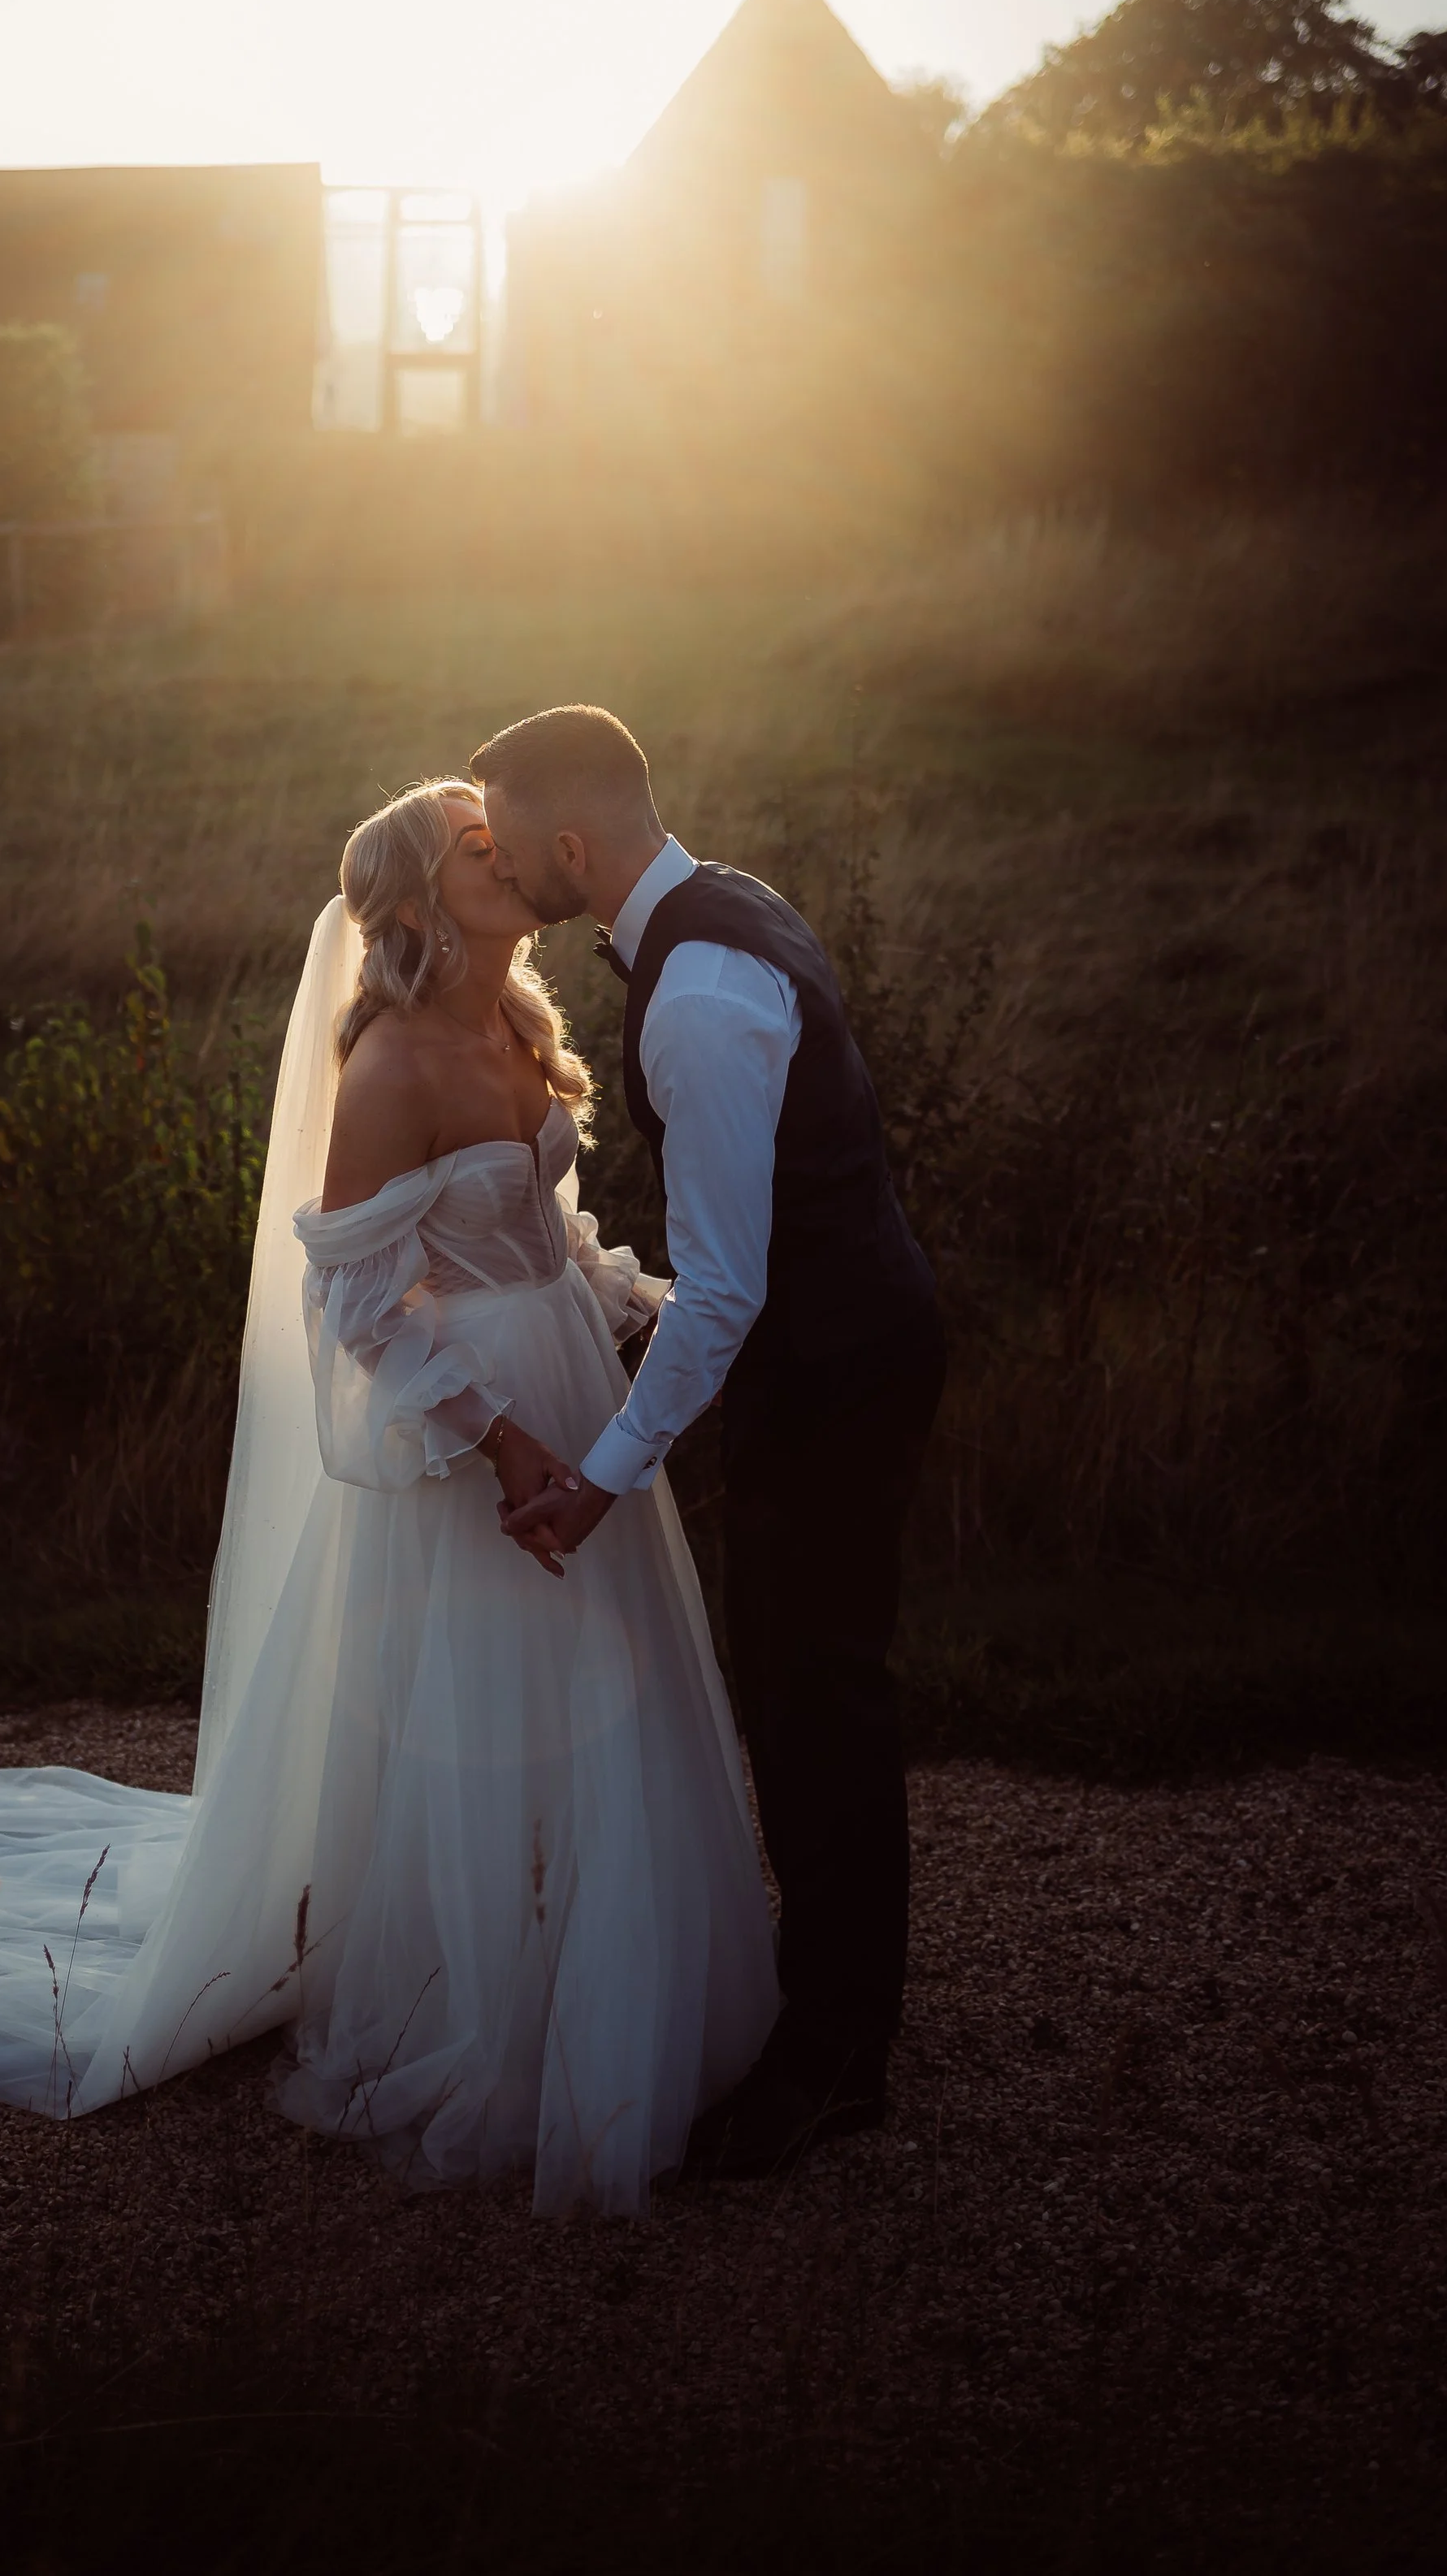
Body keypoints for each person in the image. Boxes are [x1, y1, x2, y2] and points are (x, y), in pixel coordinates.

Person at [0, 781, 777, 2217]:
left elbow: (543, 1235)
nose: (512, 854)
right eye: (477, 845)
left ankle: (608, 1968)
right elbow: (357, 1297)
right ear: (421, 903)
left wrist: (642, 1308)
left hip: (566, 1388)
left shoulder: (520, 1026)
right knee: (477, 1710)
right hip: (472, 1428)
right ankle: (482, 2001)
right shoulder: (397, 1065)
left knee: (604, 1690)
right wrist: (495, 1441)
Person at [472, 706, 945, 2177]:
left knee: (815, 1702)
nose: (501, 869)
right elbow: (742, 1254)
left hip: (837, 1367)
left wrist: (608, 1475)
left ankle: (833, 2059)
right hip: (842, 1336)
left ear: (570, 845)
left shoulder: (693, 997)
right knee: (812, 1684)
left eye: (509, 841)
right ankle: (848, 2015)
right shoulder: (726, 904)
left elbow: (736, 1283)